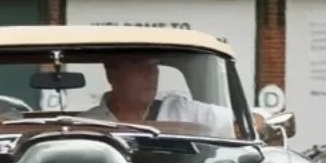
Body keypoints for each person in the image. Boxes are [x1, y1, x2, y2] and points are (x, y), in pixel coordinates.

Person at [84, 53, 234, 136]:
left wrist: (248, 124)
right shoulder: (84, 124)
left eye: (153, 66)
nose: (150, 75)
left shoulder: (181, 111)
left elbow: (248, 119)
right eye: (138, 66)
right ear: (111, 74)